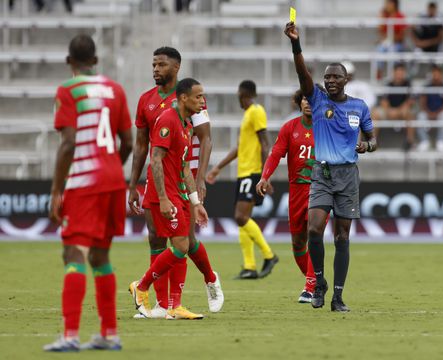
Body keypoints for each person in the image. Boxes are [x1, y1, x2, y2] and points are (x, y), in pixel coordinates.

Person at [44, 34, 133, 352]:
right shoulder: (115, 89)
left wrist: (57, 190)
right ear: (96, 61)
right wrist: (112, 169)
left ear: (69, 61)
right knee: (100, 255)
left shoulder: (68, 90)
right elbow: (130, 143)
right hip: (112, 182)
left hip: (84, 182)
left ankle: (70, 335)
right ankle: (109, 333)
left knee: (74, 253)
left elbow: (68, 143)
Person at [284, 22, 377, 312]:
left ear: (346, 79)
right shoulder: (317, 97)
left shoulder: (359, 107)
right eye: (327, 77)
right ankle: (319, 283)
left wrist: (367, 146)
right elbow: (302, 72)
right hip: (322, 173)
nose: (331, 80)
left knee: (341, 236)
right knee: (314, 229)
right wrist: (295, 44)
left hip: (348, 176)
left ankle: (338, 296)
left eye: (336, 76)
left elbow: (373, 139)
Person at [128, 47, 223, 318]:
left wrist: (199, 180)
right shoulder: (149, 102)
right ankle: (162, 304)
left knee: (185, 242)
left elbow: (204, 139)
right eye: (153, 64)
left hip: (183, 179)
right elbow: (143, 148)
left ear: (176, 67)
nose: (156, 69)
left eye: (161, 65)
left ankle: (206, 280)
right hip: (161, 182)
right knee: (160, 240)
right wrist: (133, 184)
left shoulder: (189, 99)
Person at [206, 80, 279, 279]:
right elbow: (240, 148)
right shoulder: (248, 115)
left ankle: (269, 255)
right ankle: (249, 266)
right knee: (242, 219)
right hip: (244, 173)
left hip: (253, 173)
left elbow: (266, 144)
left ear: (242, 93)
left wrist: (266, 175)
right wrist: (218, 168)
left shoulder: (256, 111)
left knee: (240, 217)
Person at [255, 90, 316, 303]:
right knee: (298, 244)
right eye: (305, 99)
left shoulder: (327, 127)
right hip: (297, 191)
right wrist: (265, 176)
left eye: (312, 99)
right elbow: (276, 153)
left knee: (314, 233)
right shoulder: (290, 128)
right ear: (299, 102)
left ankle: (310, 288)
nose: (308, 103)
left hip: (320, 190)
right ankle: (317, 280)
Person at [371, 63, 415, 149]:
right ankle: (373, 142)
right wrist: (389, 111)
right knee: (375, 113)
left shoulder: (408, 84)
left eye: (401, 72)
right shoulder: (388, 84)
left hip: (402, 111)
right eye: (398, 72)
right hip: (389, 110)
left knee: (409, 113)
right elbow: (384, 101)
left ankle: (410, 141)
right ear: (394, 72)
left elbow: (410, 101)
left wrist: (398, 111)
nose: (399, 74)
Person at [417, 65, 443, 152]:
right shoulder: (427, 87)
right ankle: (424, 141)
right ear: (432, 74)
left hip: (440, 112)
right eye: (434, 74)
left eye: (438, 74)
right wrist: (429, 113)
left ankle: (441, 141)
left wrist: (436, 113)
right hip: (428, 112)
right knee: (420, 116)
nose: (436, 76)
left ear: (441, 74)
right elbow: (422, 102)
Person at [376, 0, 408, 79]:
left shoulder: (400, 16)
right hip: (386, 43)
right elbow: (380, 32)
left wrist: (391, 38)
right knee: (379, 49)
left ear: (394, 4)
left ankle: (395, 76)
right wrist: (381, 17)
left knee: (393, 51)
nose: (386, 5)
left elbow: (402, 36)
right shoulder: (385, 16)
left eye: (388, 3)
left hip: (397, 44)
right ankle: (378, 75)